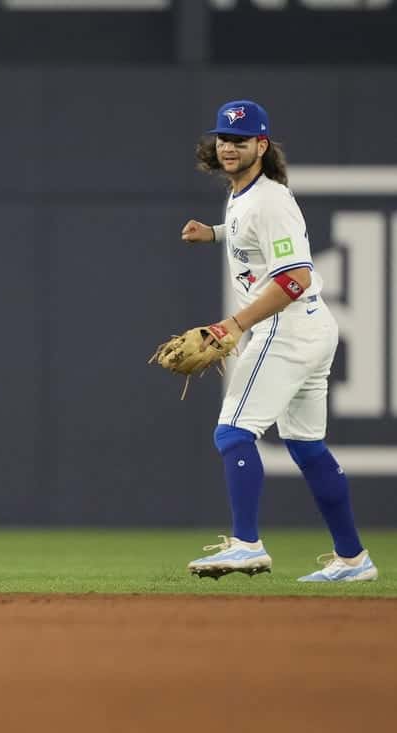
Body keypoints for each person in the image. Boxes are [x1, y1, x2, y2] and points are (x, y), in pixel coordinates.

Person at [180, 100, 377, 582]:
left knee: (232, 433)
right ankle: (353, 560)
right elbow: (253, 235)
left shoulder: (268, 199)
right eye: (224, 138)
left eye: (241, 140)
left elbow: (295, 278)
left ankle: (247, 545)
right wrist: (215, 233)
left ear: (261, 146)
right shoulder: (247, 195)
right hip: (313, 329)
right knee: (308, 448)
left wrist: (235, 324)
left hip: (285, 328)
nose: (229, 147)